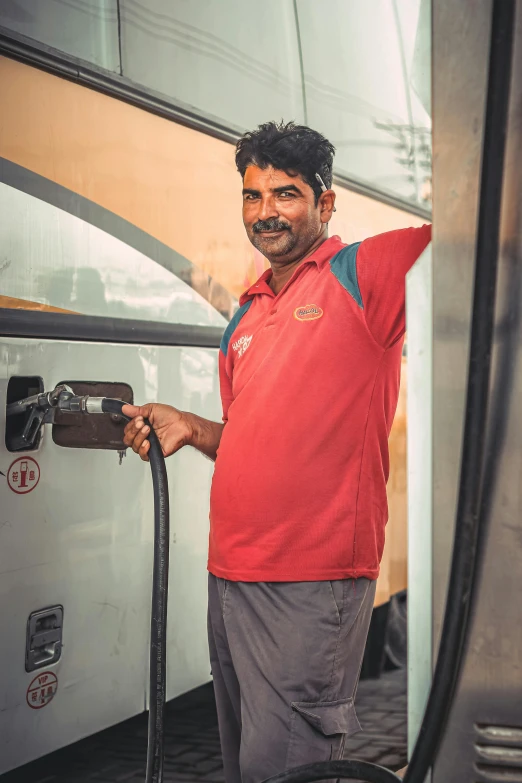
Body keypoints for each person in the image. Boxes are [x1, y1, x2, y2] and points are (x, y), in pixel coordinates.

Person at [122, 121, 431, 782]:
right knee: (246, 767)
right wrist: (187, 425)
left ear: (325, 203)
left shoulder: (361, 277)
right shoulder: (246, 313)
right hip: (231, 578)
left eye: (285, 193)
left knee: (291, 768)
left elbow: (466, 231)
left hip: (313, 583)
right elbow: (248, 435)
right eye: (251, 195)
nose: (265, 212)